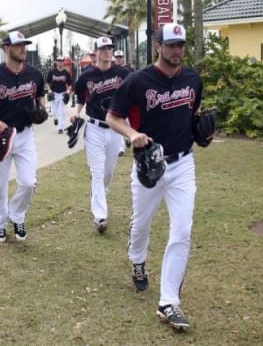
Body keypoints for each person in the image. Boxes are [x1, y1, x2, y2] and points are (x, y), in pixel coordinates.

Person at [106, 23, 203, 330]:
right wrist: (132, 133)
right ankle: (137, 260)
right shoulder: (138, 81)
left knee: (182, 230)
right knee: (141, 223)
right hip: (149, 164)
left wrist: (204, 133)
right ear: (158, 46)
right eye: (171, 44)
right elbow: (112, 116)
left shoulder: (192, 79)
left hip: (183, 164)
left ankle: (168, 302)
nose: (177, 50)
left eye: (181, 45)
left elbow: (193, 116)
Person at [0, 31, 45, 243]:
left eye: (24, 44)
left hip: (24, 136)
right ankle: (0, 224)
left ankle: (17, 216)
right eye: (18, 45)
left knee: (29, 182)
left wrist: (40, 110)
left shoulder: (35, 74)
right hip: (1, 135)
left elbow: (40, 97)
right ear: (6, 48)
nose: (23, 48)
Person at [72, 37, 130, 234]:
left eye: (109, 48)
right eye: (103, 48)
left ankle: (100, 196)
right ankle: (100, 216)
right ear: (95, 52)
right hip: (95, 128)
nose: (107, 52)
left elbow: (133, 93)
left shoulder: (123, 73)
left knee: (108, 173)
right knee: (97, 172)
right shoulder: (87, 76)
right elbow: (81, 96)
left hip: (115, 129)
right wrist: (76, 111)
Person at [112, 49, 133, 156]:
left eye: (120, 57)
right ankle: (121, 148)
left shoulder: (129, 69)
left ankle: (128, 137)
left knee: (129, 123)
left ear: (123, 58)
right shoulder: (112, 70)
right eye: (117, 57)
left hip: (127, 99)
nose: (119, 59)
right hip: (116, 100)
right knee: (119, 122)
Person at [46, 56, 72, 134]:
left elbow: (70, 84)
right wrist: (49, 90)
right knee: (53, 111)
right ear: (56, 62)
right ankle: (55, 118)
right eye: (58, 60)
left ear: (63, 62)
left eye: (61, 61)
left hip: (62, 94)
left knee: (62, 111)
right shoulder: (52, 72)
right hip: (54, 93)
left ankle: (61, 128)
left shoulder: (66, 73)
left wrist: (68, 91)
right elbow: (47, 82)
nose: (60, 62)